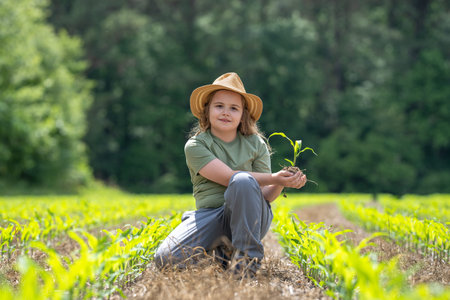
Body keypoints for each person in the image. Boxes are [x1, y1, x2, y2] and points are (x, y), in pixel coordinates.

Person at [154, 72, 307, 277]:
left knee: (244, 181)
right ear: (207, 110)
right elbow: (228, 177)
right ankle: (219, 254)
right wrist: (274, 177)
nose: (226, 112)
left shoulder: (256, 144)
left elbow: (266, 196)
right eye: (219, 106)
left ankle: (247, 262)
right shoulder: (196, 145)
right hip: (211, 217)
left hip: (251, 219)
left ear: (243, 114)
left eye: (233, 108)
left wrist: (282, 181)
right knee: (166, 259)